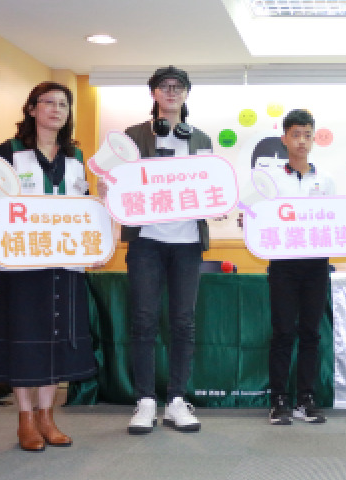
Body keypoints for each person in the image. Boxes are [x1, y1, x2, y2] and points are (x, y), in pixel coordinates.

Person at [0, 81, 96, 451]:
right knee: (25, 339)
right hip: (23, 264)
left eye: (63, 104)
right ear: (32, 109)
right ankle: (25, 418)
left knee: (55, 339)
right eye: (48, 103)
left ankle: (47, 416)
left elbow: (85, 206)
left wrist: (96, 241)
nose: (56, 109)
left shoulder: (76, 156)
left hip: (65, 262)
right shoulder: (10, 152)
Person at [123, 66, 213, 435]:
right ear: (154, 94)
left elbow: (211, 185)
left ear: (187, 94)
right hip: (146, 240)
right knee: (144, 320)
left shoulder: (202, 139)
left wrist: (216, 201)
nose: (171, 92)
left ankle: (177, 399)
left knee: (183, 323)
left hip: (187, 242)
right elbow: (115, 180)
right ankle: (145, 400)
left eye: (178, 87)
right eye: (164, 86)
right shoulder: (132, 136)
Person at [265, 109, 336, 425]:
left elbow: (335, 219)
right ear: (284, 138)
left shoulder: (325, 180)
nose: (302, 141)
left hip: (316, 264)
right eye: (296, 134)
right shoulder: (270, 180)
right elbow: (257, 216)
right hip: (282, 264)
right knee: (283, 332)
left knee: (311, 333)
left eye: (308, 135)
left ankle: (305, 398)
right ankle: (279, 399)